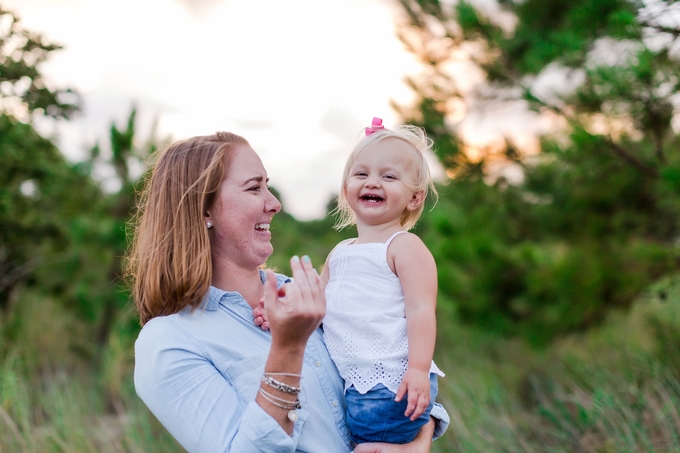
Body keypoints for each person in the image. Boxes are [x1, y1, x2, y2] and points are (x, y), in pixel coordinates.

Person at [126, 131, 449, 453]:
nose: (275, 203)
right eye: (254, 188)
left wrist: (415, 445)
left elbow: (393, 372)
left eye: (268, 185)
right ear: (204, 209)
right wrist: (288, 347)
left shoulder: (309, 297)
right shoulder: (169, 343)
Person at [320, 118, 444, 445]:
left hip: (394, 385)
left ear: (415, 199)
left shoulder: (404, 246)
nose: (372, 182)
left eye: (388, 176)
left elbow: (421, 310)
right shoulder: (339, 252)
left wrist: (418, 370)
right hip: (356, 387)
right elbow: (316, 306)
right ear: (346, 189)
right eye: (361, 174)